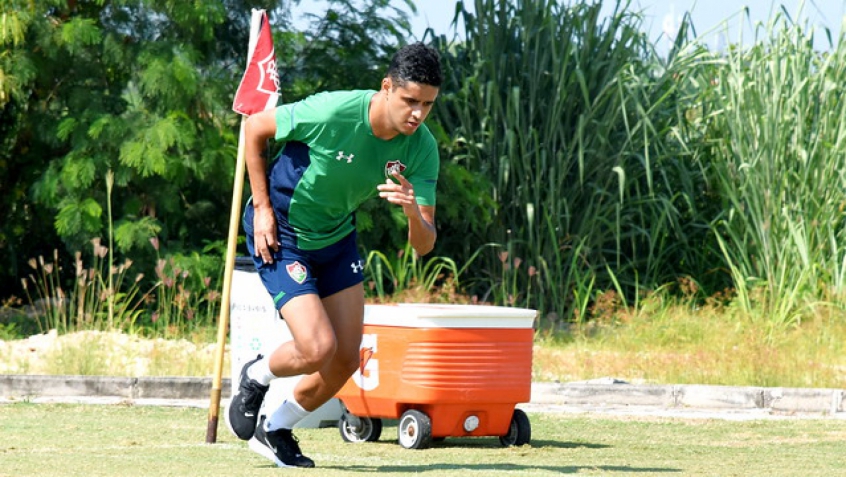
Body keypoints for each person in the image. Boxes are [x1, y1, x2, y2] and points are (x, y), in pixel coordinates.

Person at [226, 42, 443, 468]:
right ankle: (256, 375)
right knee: (317, 348)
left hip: (336, 237)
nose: (417, 114)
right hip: (282, 231)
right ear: (386, 87)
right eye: (410, 100)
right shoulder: (333, 112)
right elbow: (254, 128)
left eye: (428, 105)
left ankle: (276, 428)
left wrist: (412, 212)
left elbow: (424, 244)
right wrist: (262, 207)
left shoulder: (422, 148)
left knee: (345, 358)